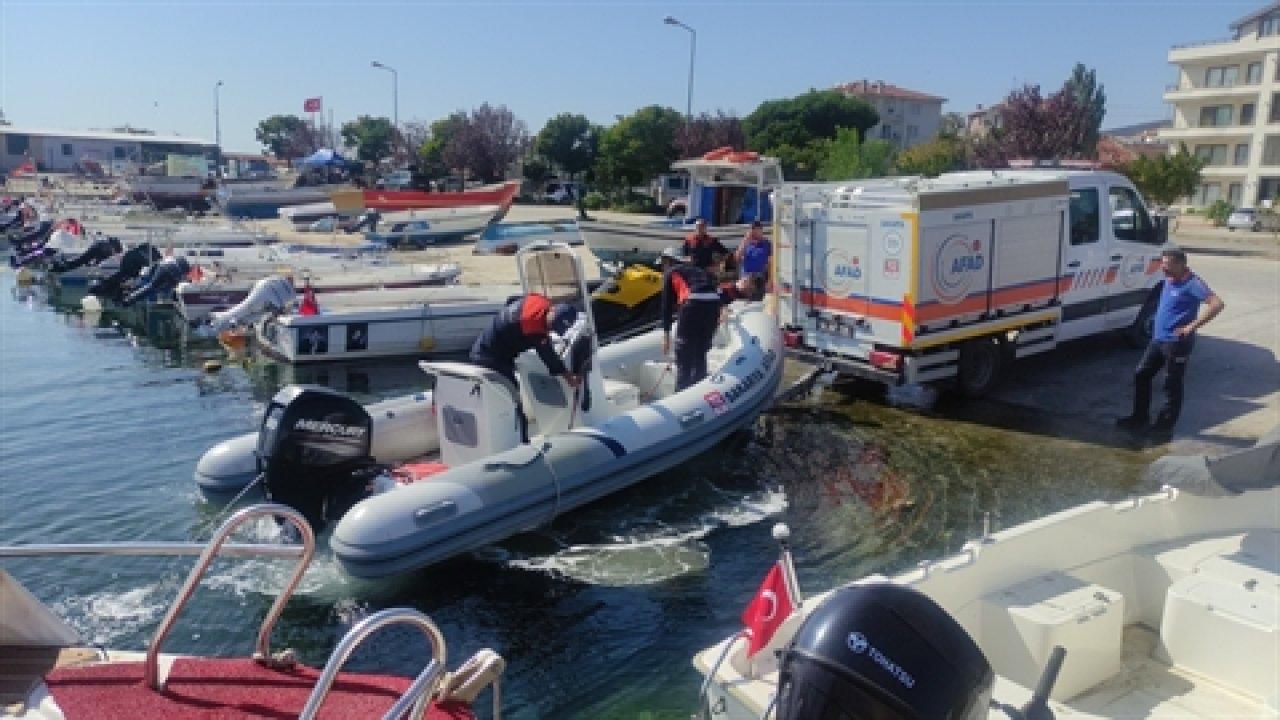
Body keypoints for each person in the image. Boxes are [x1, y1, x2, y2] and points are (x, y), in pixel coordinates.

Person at [1116, 248, 1224, 433]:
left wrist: (1191, 327)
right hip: (1158, 339)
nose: (1163, 268)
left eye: (1168, 264)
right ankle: (1139, 417)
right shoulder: (1169, 278)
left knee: (1171, 384)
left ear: (1181, 265)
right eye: (1162, 263)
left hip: (1177, 343)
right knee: (1142, 374)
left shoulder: (1193, 283)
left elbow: (1217, 304)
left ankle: (1164, 427)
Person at [470, 294, 582, 441]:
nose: (549, 330)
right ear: (552, 312)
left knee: (505, 398)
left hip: (485, 348)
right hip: (492, 359)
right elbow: (548, 356)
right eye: (550, 326)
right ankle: (522, 443)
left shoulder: (540, 302)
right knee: (512, 402)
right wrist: (568, 376)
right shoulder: (534, 326)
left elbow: (511, 300)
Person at [659, 247, 723, 391]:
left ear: (669, 261)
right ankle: (700, 391)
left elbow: (666, 306)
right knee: (701, 352)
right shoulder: (698, 270)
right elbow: (714, 289)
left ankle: (681, 393)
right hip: (713, 304)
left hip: (693, 303)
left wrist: (666, 334)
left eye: (663, 263)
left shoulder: (671, 272)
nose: (663, 267)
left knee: (684, 355)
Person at [734, 221, 772, 299]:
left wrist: (770, 280)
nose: (754, 231)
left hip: (760, 278)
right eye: (752, 229)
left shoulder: (767, 244)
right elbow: (737, 257)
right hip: (746, 278)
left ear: (761, 230)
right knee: (746, 302)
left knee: (759, 301)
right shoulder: (746, 243)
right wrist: (745, 241)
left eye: (757, 229)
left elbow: (771, 263)